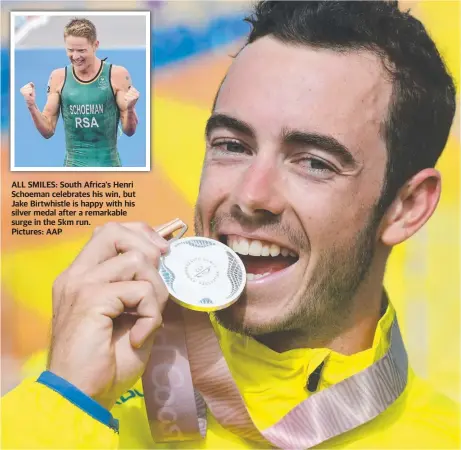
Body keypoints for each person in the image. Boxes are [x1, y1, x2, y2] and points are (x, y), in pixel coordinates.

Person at [3, 1, 459, 448]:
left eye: (315, 162)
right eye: (233, 145)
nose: (250, 195)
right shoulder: (74, 388)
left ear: (407, 207)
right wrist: (68, 401)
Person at [19, 17, 140, 167]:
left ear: (95, 45)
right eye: (70, 50)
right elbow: (47, 131)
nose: (75, 56)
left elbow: (129, 131)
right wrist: (31, 106)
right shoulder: (58, 77)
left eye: (81, 50)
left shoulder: (117, 75)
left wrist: (130, 109)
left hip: (109, 169)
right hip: (73, 171)